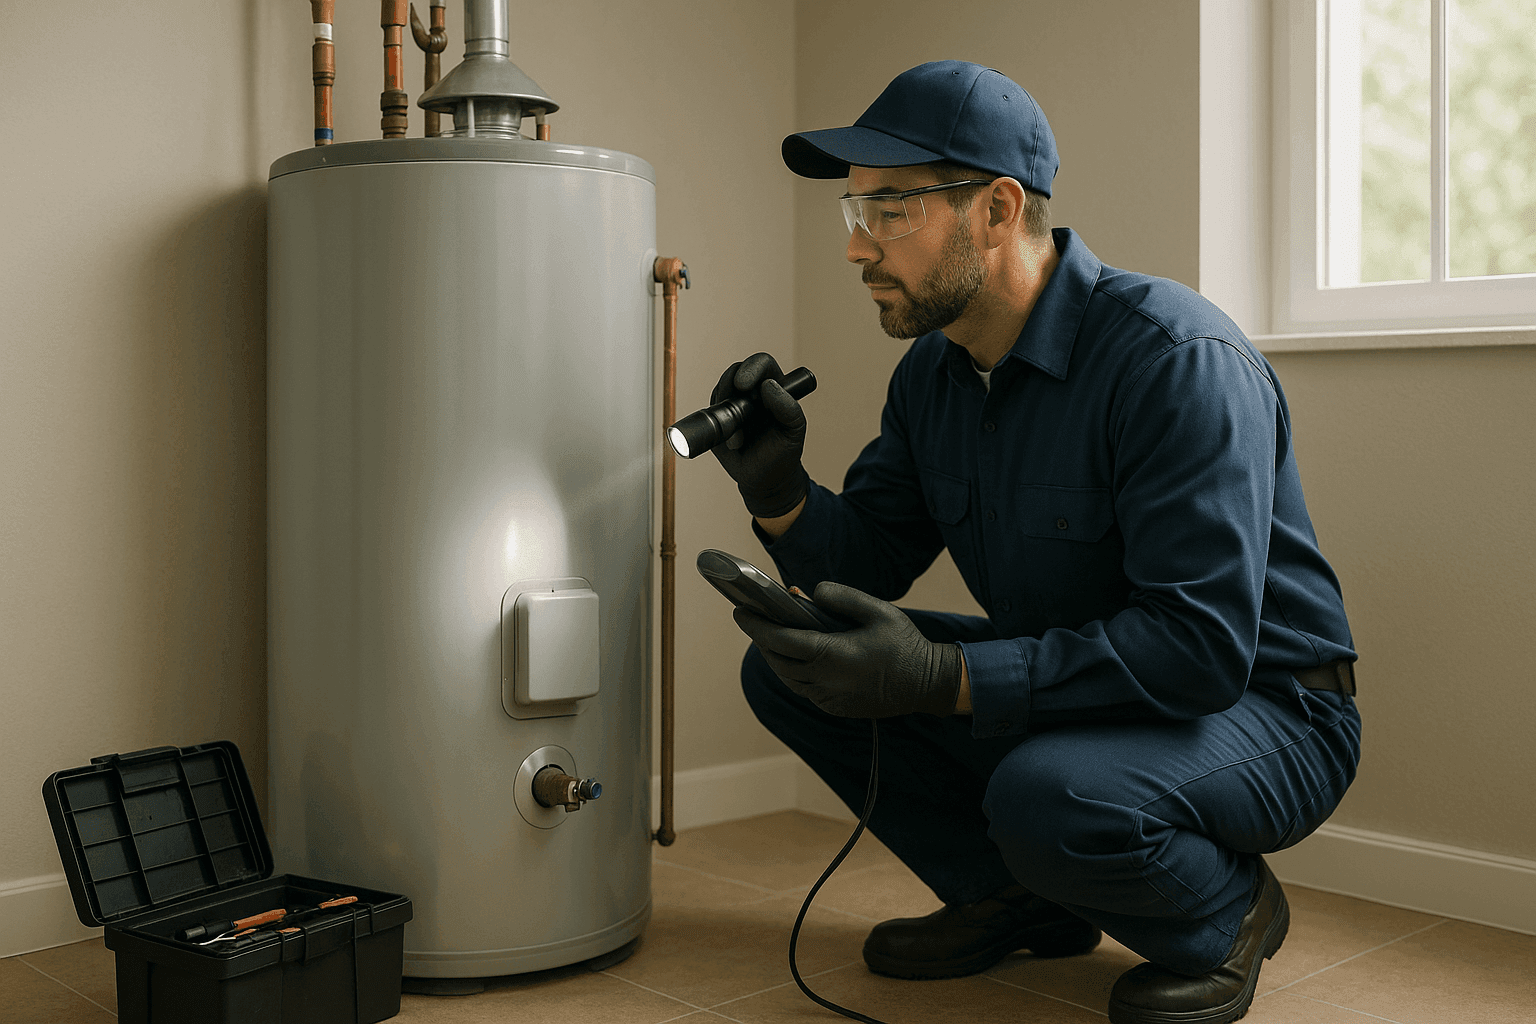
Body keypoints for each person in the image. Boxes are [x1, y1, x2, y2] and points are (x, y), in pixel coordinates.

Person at [708, 61, 1362, 1024]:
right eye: (856, 216)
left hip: (1268, 711)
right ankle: (1013, 898)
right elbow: (871, 565)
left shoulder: (1175, 361)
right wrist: (779, 491)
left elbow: (1198, 651)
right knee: (796, 666)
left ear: (998, 209)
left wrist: (940, 676)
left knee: (1046, 793)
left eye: (891, 212)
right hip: (1089, 689)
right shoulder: (937, 374)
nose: (859, 250)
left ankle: (1227, 915)